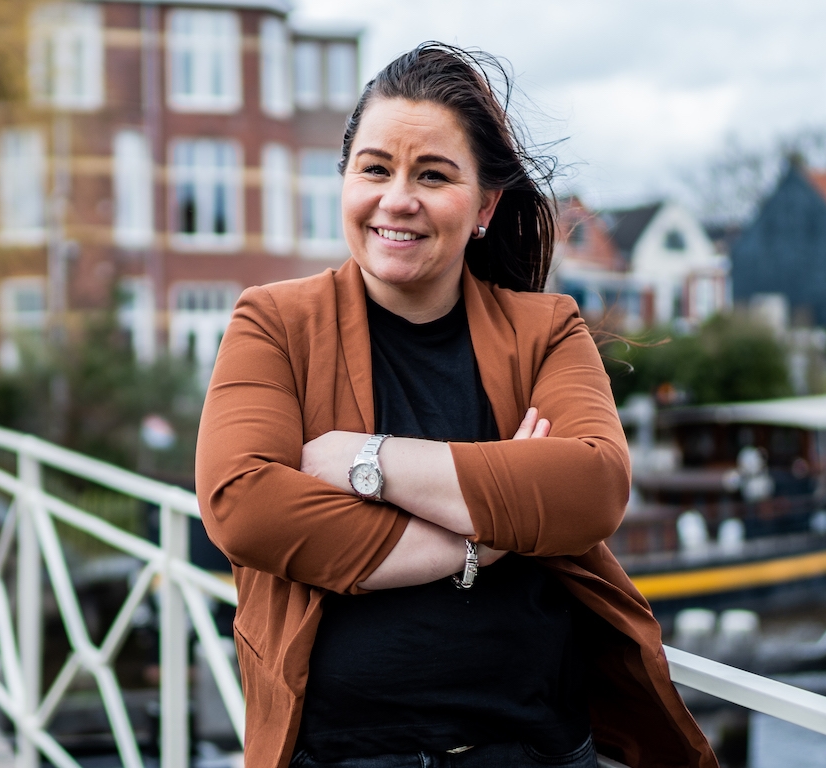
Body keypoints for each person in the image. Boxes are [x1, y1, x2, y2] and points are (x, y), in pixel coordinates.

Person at [196, 44, 717, 768]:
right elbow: (244, 505)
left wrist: (364, 459)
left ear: (484, 205)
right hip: (339, 757)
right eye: (374, 168)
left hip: (532, 752)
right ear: (345, 181)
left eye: (433, 175)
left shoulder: (547, 330)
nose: (397, 198)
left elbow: (592, 490)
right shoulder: (276, 324)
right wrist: (485, 538)